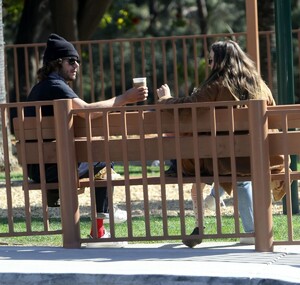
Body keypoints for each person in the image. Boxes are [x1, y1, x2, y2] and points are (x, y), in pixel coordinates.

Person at [25, 33, 148, 240]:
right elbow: (87, 110)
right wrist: (124, 99)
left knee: (100, 159)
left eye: (78, 62)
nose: (76, 66)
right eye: (71, 61)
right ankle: (102, 223)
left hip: (40, 164)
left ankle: (101, 224)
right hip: (51, 168)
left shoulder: (44, 87)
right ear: (57, 63)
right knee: (103, 159)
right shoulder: (55, 86)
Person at [156, 40, 279, 248]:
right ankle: (226, 206)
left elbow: (188, 108)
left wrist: (165, 99)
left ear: (221, 61)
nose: (209, 63)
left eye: (211, 59)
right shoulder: (260, 85)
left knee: (228, 166)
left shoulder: (218, 84)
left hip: (222, 158)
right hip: (260, 155)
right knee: (241, 172)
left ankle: (248, 229)